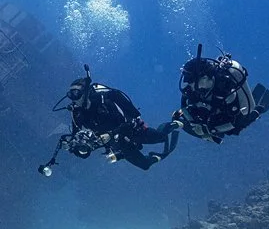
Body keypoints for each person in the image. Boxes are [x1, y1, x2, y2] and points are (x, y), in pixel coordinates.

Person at [38, 65, 180, 176]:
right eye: (71, 95)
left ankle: (174, 122)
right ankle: (155, 157)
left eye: (77, 93)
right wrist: (75, 147)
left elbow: (130, 119)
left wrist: (111, 134)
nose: (74, 98)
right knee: (145, 165)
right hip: (117, 143)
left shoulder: (104, 101)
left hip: (133, 131)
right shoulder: (77, 114)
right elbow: (84, 151)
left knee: (161, 137)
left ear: (86, 91)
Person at [173, 44, 269, 143]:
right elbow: (184, 105)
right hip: (214, 109)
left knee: (236, 128)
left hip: (231, 110)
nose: (189, 85)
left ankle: (256, 112)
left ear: (204, 78)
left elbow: (234, 122)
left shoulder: (225, 87)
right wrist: (193, 122)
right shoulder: (193, 88)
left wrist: (210, 130)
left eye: (191, 81)